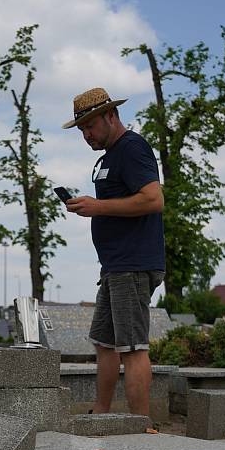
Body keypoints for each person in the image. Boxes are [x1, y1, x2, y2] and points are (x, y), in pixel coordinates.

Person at [62, 87, 165, 418]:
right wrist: (92, 206)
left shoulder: (133, 148)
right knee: (104, 343)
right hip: (114, 267)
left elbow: (153, 199)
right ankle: (101, 415)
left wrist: (98, 206)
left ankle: (141, 427)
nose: (86, 135)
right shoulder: (110, 157)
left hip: (133, 265)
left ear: (111, 116)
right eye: (81, 130)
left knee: (133, 348)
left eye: (90, 126)